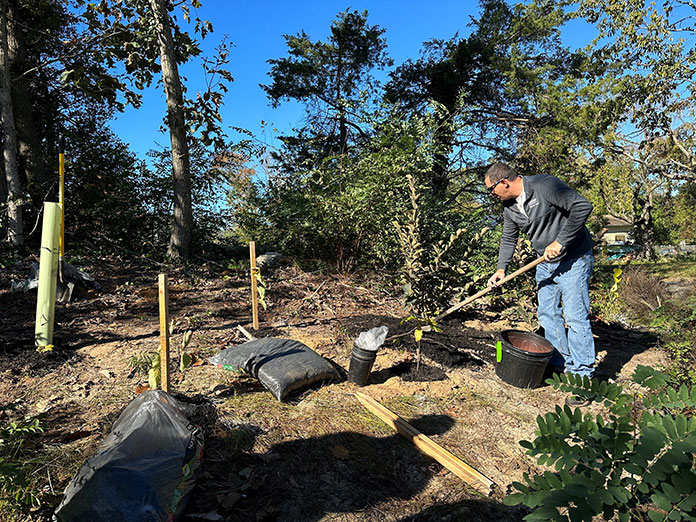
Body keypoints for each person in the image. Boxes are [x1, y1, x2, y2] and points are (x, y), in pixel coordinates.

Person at [484, 163, 595, 405]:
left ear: (503, 182)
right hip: (544, 262)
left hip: (574, 258)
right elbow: (508, 237)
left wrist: (561, 241)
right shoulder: (509, 208)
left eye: (491, 189)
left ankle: (584, 380)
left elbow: (582, 206)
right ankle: (562, 364)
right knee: (547, 315)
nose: (492, 195)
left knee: (575, 317)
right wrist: (501, 268)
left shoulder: (544, 185)